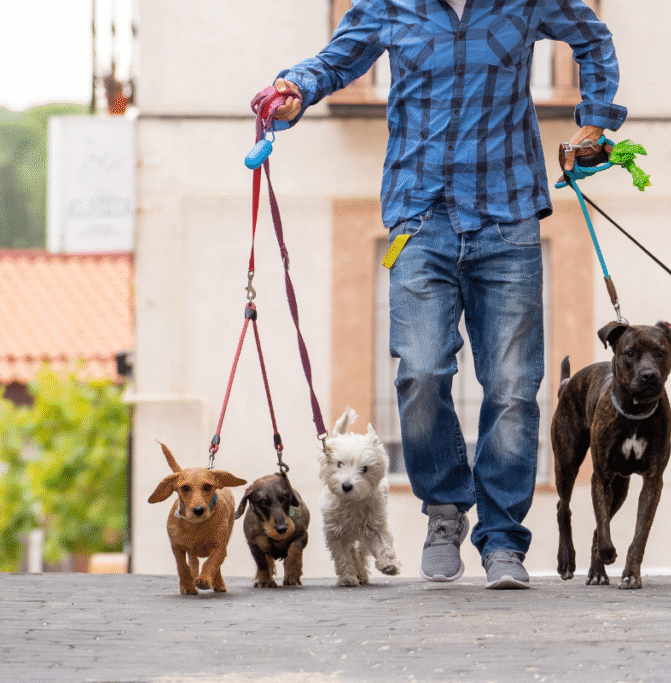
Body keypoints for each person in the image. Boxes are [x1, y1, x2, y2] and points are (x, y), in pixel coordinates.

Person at [267, 0, 626, 589]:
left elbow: (591, 35)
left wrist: (596, 121)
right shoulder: (390, 5)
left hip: (506, 216)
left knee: (512, 386)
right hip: (418, 217)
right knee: (421, 372)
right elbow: (338, 60)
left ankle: (503, 538)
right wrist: (294, 89)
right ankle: (444, 510)